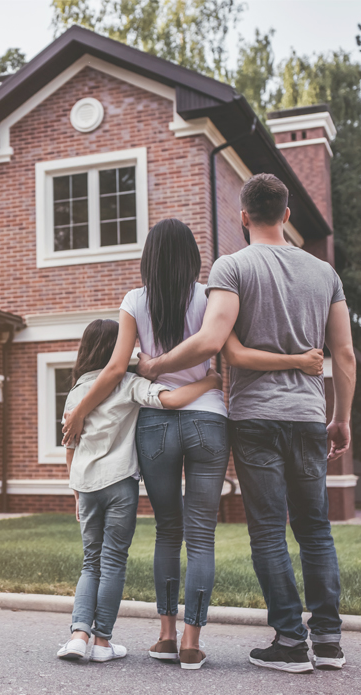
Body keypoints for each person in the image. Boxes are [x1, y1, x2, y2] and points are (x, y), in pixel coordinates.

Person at [61, 218, 324, 670]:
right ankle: (190, 642)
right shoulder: (211, 296)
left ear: (148, 257)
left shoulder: (134, 300)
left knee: (168, 530)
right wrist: (218, 378)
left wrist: (81, 409)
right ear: (193, 258)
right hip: (208, 420)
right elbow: (231, 350)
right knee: (201, 537)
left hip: (156, 425)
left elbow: (114, 370)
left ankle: (163, 636)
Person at [134, 175, 356, 673]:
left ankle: (291, 643)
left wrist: (156, 365)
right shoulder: (325, 273)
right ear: (288, 214)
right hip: (306, 416)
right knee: (316, 531)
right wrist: (340, 417)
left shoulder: (232, 267)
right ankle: (328, 641)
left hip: (255, 417)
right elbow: (343, 351)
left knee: (270, 534)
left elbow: (213, 341)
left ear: (243, 216)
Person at [57, 318, 223, 663]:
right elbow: (173, 400)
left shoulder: (75, 392)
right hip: (120, 486)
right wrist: (209, 381)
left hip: (86, 487)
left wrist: (75, 492)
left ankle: (77, 635)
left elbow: (69, 445)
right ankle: (102, 642)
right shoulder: (130, 384)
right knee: (113, 561)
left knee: (91, 562)